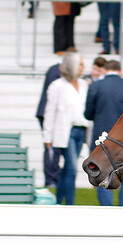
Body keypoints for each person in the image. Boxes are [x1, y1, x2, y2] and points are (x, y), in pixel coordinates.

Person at [85, 60, 123, 206]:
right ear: (120, 71)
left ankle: (107, 211)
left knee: (101, 176)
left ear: (105, 70)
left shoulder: (96, 86)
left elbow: (88, 114)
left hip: (101, 138)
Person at [42, 52, 89, 205]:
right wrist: (47, 137)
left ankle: (59, 200)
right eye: (80, 64)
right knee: (71, 169)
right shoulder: (57, 86)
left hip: (81, 130)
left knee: (68, 169)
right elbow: (49, 112)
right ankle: (70, 204)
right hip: (66, 131)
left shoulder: (83, 84)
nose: (83, 67)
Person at [37, 49, 75, 188]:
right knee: (52, 148)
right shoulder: (57, 71)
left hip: (51, 112)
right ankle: (51, 179)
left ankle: (55, 177)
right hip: (51, 114)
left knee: (55, 148)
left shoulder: (55, 69)